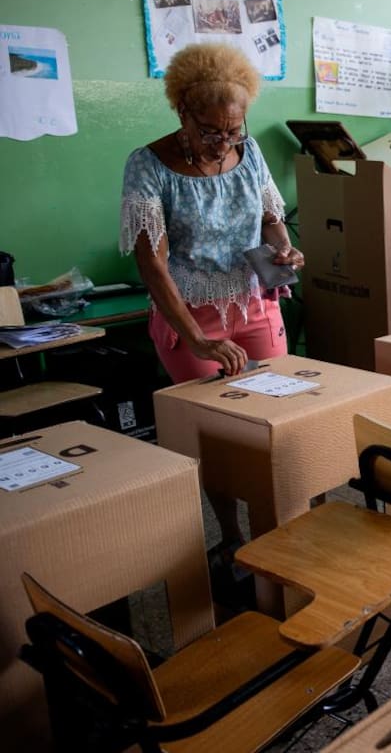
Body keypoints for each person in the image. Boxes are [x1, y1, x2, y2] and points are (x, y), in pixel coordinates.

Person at [119, 42, 303, 554]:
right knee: (216, 434)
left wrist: (285, 251)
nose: (223, 143)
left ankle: (281, 527)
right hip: (190, 314)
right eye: (210, 131)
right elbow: (151, 262)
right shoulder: (148, 165)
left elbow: (271, 222)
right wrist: (196, 339)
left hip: (252, 302)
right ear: (183, 112)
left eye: (233, 131)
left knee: (277, 416)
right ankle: (232, 539)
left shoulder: (250, 153)